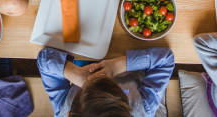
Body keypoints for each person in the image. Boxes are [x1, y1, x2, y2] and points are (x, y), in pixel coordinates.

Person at [37, 47, 175, 117]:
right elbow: (165, 59)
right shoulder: (144, 109)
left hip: (82, 54)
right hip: (128, 52)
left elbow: (44, 60)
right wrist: (118, 65)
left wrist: (76, 74)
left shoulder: (64, 109)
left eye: (88, 89)